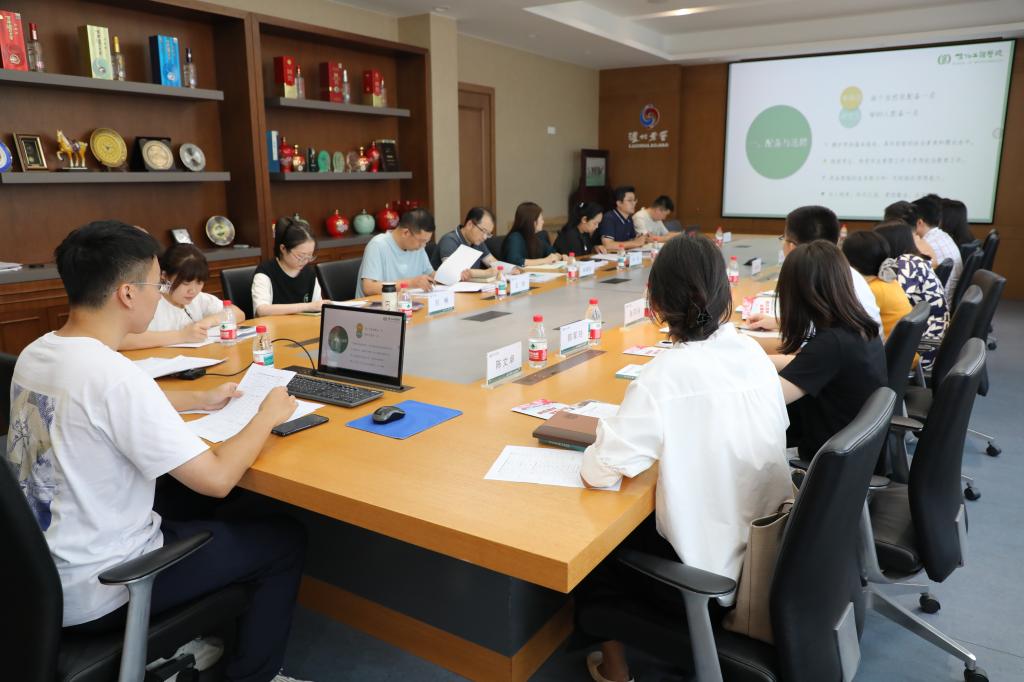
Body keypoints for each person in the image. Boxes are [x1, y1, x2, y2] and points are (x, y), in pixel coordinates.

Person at [6, 220, 309, 682]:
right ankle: (257, 675)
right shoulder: (115, 377)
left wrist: (198, 398)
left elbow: (97, 405)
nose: (160, 294)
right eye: (157, 284)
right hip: (107, 587)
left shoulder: (38, 352)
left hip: (37, 576)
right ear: (127, 294)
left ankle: (193, 637)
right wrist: (267, 415)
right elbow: (216, 479)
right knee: (283, 539)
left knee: (199, 504)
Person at [579, 235, 792, 682]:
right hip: (769, 557)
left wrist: (608, 426)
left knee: (596, 552)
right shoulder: (750, 352)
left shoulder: (663, 376)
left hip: (706, 583)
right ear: (724, 295)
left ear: (655, 303)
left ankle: (615, 671)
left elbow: (599, 472)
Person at [770, 240, 886, 462]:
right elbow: (806, 366)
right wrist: (758, 359)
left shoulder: (832, 345)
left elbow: (768, 400)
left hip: (826, 461)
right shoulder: (858, 327)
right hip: (857, 454)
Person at [748, 205, 881, 331]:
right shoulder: (843, 272)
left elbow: (815, 333)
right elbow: (816, 323)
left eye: (784, 238)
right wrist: (780, 323)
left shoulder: (812, 277)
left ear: (793, 248)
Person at [119, 244, 245, 350]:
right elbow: (122, 340)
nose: (193, 290)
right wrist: (182, 336)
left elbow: (238, 313)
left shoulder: (199, 299)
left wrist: (207, 322)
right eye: (186, 283)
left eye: (199, 282)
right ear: (164, 276)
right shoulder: (151, 301)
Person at [874, 220, 949, 369]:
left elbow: (894, 302)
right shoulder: (912, 260)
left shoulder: (906, 264)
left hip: (925, 348)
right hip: (929, 339)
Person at [842, 231, 913, 340]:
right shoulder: (888, 281)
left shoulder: (871, 290)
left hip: (886, 347)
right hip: (903, 347)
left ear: (849, 263)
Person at [253, 216, 327, 316]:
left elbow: (317, 308)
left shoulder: (309, 273)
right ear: (283, 249)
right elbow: (262, 310)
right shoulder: (265, 273)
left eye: (310, 256)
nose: (305, 261)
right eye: (301, 256)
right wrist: (307, 306)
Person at [357, 208, 437, 297]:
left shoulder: (418, 248)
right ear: (406, 233)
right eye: (421, 241)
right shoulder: (378, 245)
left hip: (408, 302)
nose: (423, 245)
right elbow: (369, 288)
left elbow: (431, 275)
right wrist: (410, 283)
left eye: (426, 242)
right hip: (377, 304)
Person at [912, 195, 962, 300]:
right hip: (946, 300)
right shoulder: (943, 236)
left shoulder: (927, 245)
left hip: (936, 303)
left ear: (919, 222)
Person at [436, 207, 502, 279]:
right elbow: (452, 274)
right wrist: (485, 273)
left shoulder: (478, 242)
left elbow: (495, 265)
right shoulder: (449, 240)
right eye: (483, 231)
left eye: (488, 233)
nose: (485, 237)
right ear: (470, 224)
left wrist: (510, 269)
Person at [501, 201, 563, 267]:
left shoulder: (539, 236)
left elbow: (552, 252)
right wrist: (545, 260)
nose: (543, 222)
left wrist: (559, 256)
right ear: (532, 221)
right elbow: (515, 261)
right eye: (541, 219)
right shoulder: (515, 237)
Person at [596, 185, 648, 250]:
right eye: (630, 200)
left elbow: (631, 240)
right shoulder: (609, 218)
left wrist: (642, 238)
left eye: (634, 200)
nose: (634, 203)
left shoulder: (629, 218)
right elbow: (608, 245)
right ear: (619, 203)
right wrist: (635, 243)